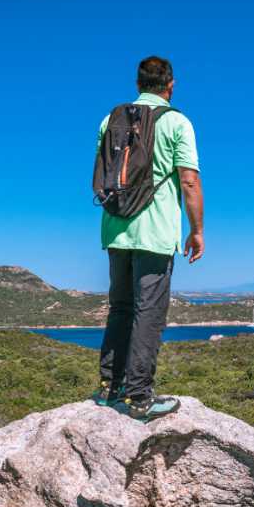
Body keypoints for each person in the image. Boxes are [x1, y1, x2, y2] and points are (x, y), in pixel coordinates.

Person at [90, 55, 204, 421]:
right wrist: (196, 230)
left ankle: (110, 387)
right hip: (154, 232)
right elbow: (188, 180)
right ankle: (140, 398)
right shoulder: (176, 122)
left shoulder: (111, 120)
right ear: (170, 85)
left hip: (115, 228)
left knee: (120, 308)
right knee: (149, 311)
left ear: (138, 84)